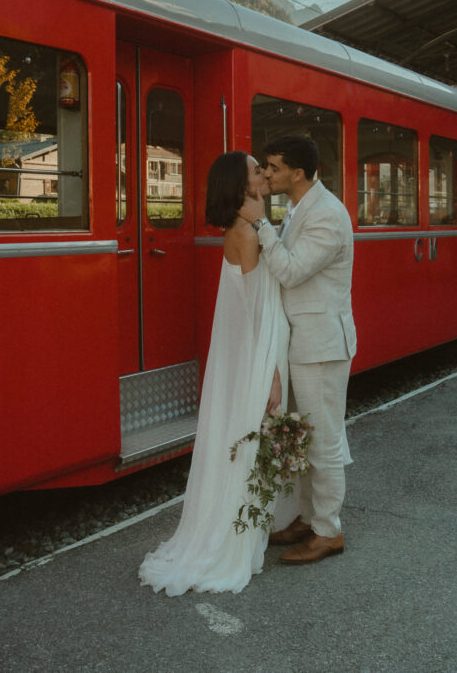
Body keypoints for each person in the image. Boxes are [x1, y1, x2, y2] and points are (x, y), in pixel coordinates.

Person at [139, 151, 289, 596]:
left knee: (243, 437)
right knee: (248, 435)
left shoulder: (243, 229)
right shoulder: (246, 233)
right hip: (255, 351)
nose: (264, 173)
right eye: (255, 170)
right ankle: (231, 540)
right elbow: (254, 310)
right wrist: (273, 374)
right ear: (240, 186)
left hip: (247, 349)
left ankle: (241, 528)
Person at [239, 134, 356, 565]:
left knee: (323, 440)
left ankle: (329, 531)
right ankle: (309, 518)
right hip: (303, 342)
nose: (267, 174)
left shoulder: (327, 216)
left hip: (321, 345)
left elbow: (289, 272)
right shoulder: (301, 207)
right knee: (306, 440)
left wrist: (260, 224)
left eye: (273, 167)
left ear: (298, 173)